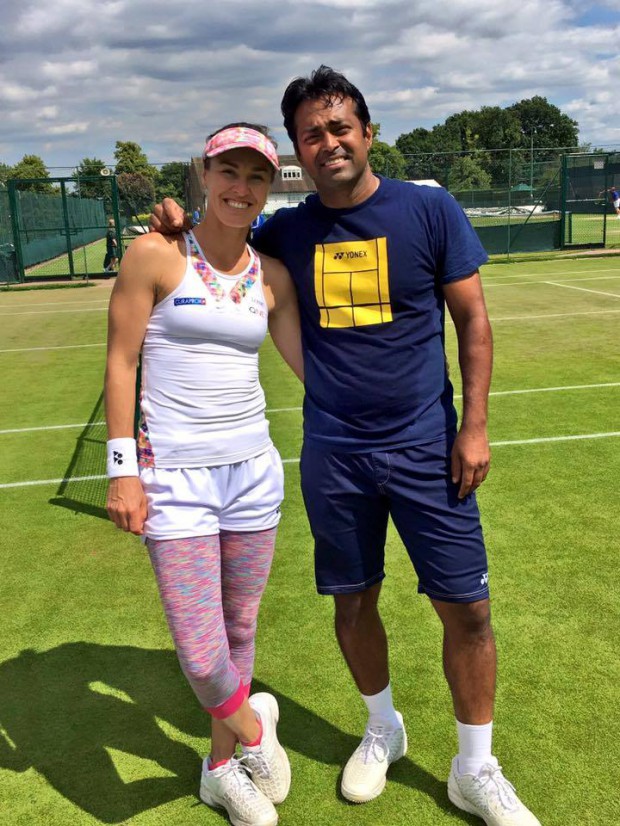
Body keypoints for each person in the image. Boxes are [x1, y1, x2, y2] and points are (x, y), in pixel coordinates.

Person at [150, 67, 540, 826]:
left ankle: (474, 768)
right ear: (298, 149)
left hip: (430, 448)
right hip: (335, 452)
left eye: (339, 127)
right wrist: (174, 221)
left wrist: (476, 424)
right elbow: (219, 236)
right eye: (310, 134)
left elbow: (474, 323)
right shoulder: (288, 231)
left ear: (367, 132)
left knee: (468, 610)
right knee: (353, 602)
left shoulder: (428, 210)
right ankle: (383, 728)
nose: (327, 142)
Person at [105, 122, 304, 826]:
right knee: (199, 649)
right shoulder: (155, 256)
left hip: (253, 473)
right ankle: (255, 730)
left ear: (267, 187)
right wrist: (122, 471)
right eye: (228, 171)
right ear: (205, 176)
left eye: (255, 176)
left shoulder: (270, 276)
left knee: (240, 630)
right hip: (174, 482)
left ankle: (220, 769)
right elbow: (121, 362)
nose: (240, 187)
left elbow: (310, 369)